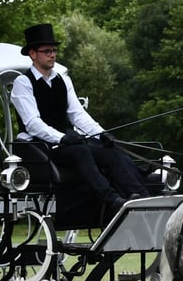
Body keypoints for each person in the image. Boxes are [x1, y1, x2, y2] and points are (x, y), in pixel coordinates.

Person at [10, 23, 149, 215]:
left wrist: (101, 134)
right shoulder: (23, 83)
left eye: (54, 50)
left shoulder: (62, 80)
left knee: (109, 150)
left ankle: (139, 195)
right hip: (41, 147)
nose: (52, 55)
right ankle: (112, 199)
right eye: (47, 51)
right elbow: (33, 124)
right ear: (33, 54)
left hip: (66, 144)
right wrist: (61, 137)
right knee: (81, 151)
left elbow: (78, 114)